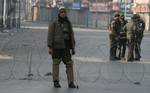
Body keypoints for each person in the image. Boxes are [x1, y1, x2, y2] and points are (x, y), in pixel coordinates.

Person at [47, 7, 76, 88]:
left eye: (64, 12)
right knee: (56, 63)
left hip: (66, 47)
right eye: (61, 12)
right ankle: (56, 81)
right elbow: (50, 35)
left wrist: (73, 47)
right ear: (59, 13)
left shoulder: (68, 22)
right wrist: (50, 47)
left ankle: (71, 82)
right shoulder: (54, 22)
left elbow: (71, 35)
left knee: (69, 64)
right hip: (57, 47)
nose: (63, 13)